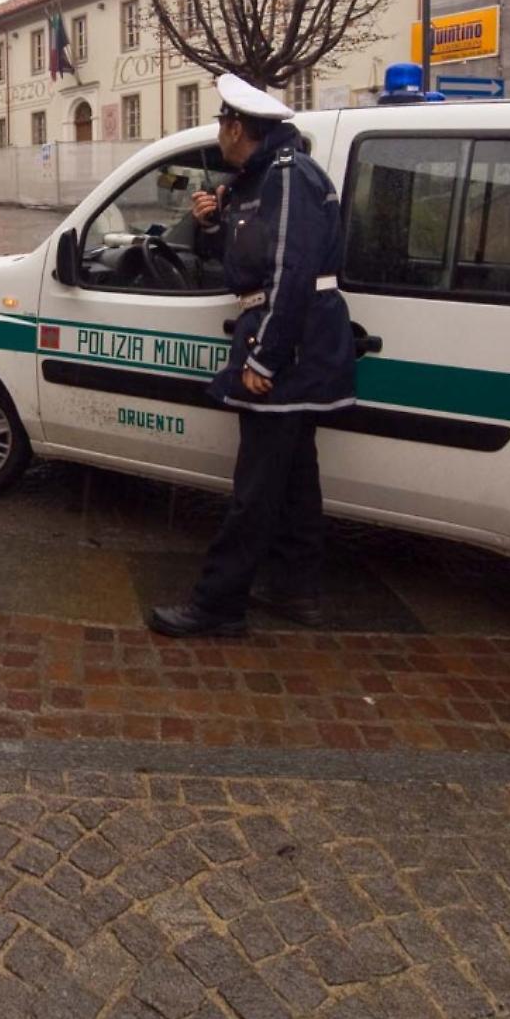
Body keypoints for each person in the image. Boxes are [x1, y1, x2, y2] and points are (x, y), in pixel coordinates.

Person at [148, 73, 355, 638]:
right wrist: (214, 222)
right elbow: (251, 261)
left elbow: (291, 272)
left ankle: (218, 605)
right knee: (293, 479)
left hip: (289, 347)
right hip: (299, 343)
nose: (218, 132)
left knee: (255, 488)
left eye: (220, 123)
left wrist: (263, 359)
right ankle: (296, 590)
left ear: (238, 127)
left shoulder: (287, 180)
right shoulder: (264, 179)